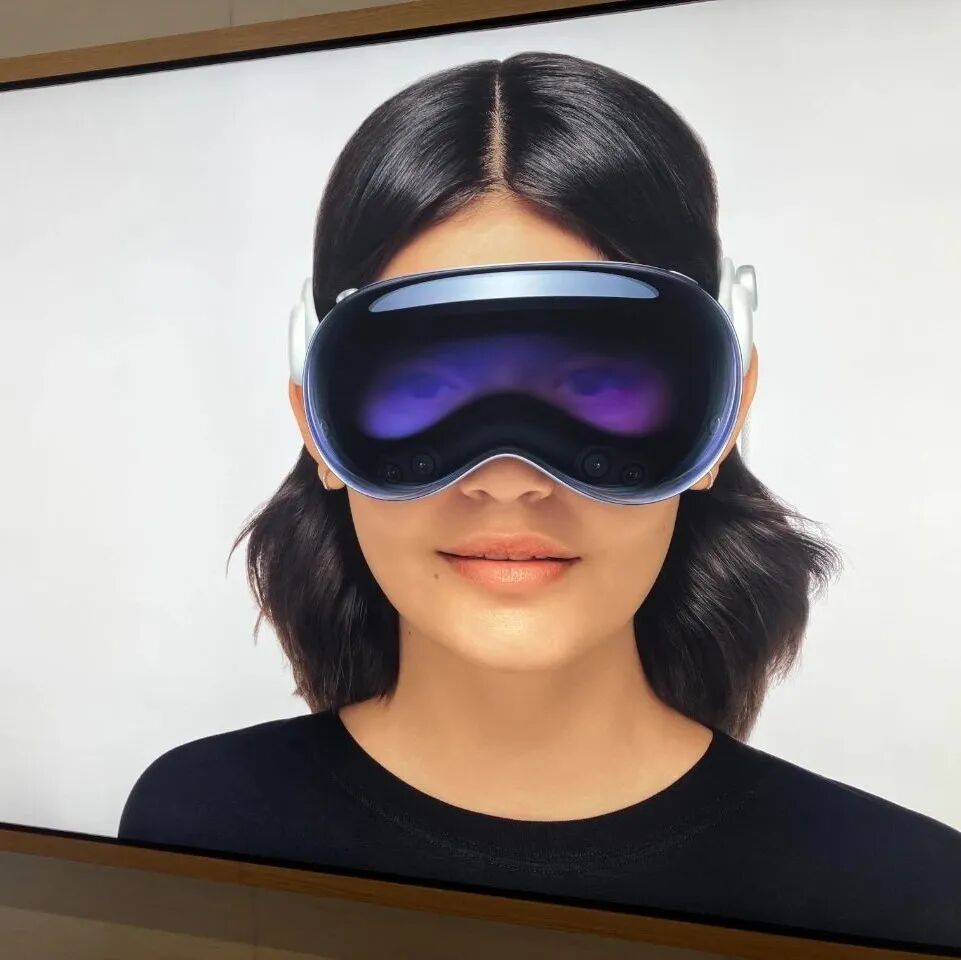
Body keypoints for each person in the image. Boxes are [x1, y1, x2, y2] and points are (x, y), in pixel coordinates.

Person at [118, 52, 961, 950]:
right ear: (315, 423)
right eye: (426, 386)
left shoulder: (905, 894)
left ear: (724, 412)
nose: (510, 476)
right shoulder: (199, 822)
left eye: (596, 385)